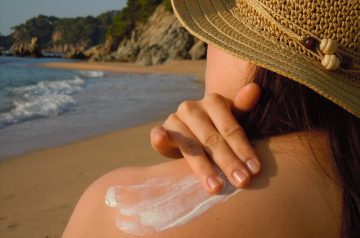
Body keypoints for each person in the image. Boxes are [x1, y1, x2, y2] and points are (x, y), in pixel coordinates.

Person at [62, 0, 359, 237]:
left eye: (222, 36)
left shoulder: (113, 207)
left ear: (258, 57)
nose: (208, 49)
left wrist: (177, 175)